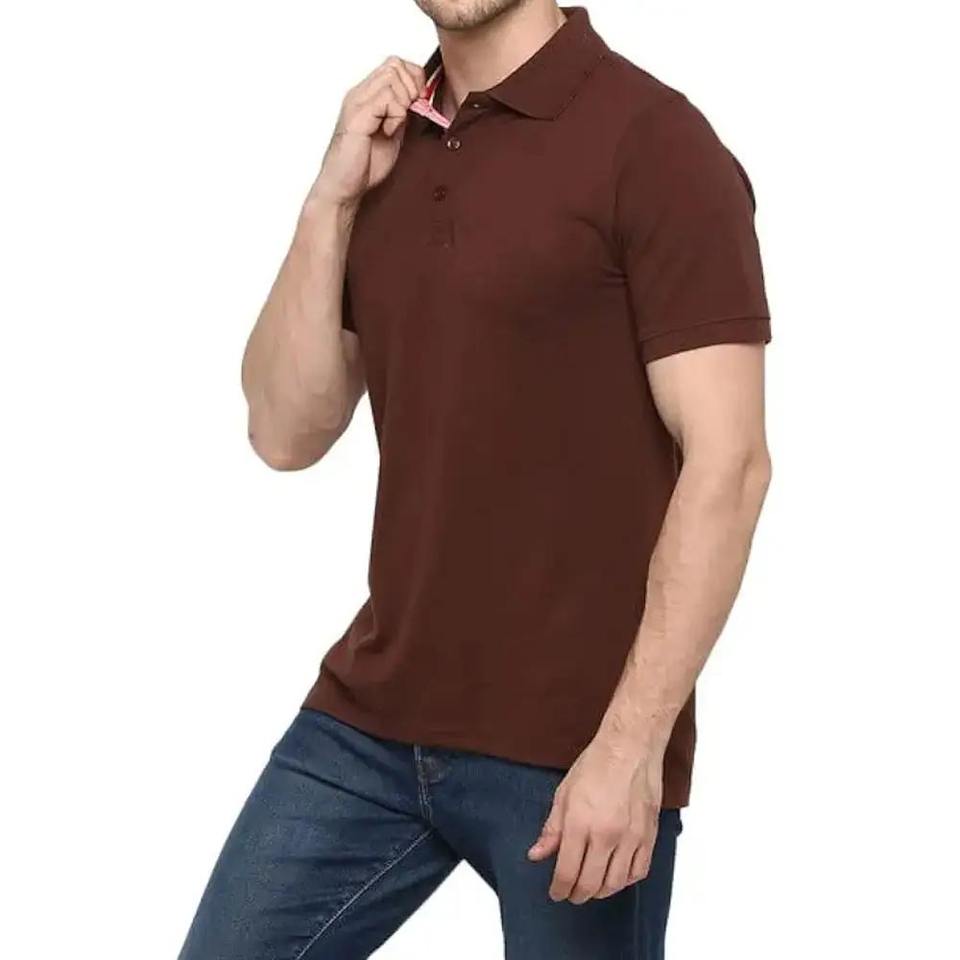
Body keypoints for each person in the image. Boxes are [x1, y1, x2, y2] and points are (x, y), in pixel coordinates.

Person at [179, 3, 772, 957]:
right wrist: (331, 201)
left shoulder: (656, 143)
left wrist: (631, 749)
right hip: (373, 720)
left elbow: (730, 466)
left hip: (577, 748)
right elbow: (284, 432)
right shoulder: (386, 146)